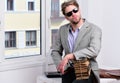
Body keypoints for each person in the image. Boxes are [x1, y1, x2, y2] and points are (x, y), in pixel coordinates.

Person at [51, 0, 102, 83]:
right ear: (66, 17)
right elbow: (55, 51)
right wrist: (60, 65)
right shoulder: (62, 30)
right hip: (68, 70)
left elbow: (94, 50)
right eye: (69, 14)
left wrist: (70, 56)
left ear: (79, 9)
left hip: (86, 71)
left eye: (75, 10)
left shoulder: (94, 29)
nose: (73, 14)